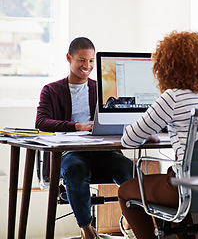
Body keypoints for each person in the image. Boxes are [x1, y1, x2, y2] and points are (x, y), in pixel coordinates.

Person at [118, 31, 198, 239]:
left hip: (185, 189)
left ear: (166, 68)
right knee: (172, 179)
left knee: (126, 190)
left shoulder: (172, 97)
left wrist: (149, 134)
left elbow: (129, 140)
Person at [35, 37, 134, 239]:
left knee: (131, 171)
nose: (87, 66)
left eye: (90, 61)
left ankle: (129, 218)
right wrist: (76, 127)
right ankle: (87, 230)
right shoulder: (51, 90)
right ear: (69, 58)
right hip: (71, 154)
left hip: (103, 153)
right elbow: (41, 122)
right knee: (76, 170)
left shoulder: (102, 89)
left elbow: (120, 115)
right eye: (81, 60)